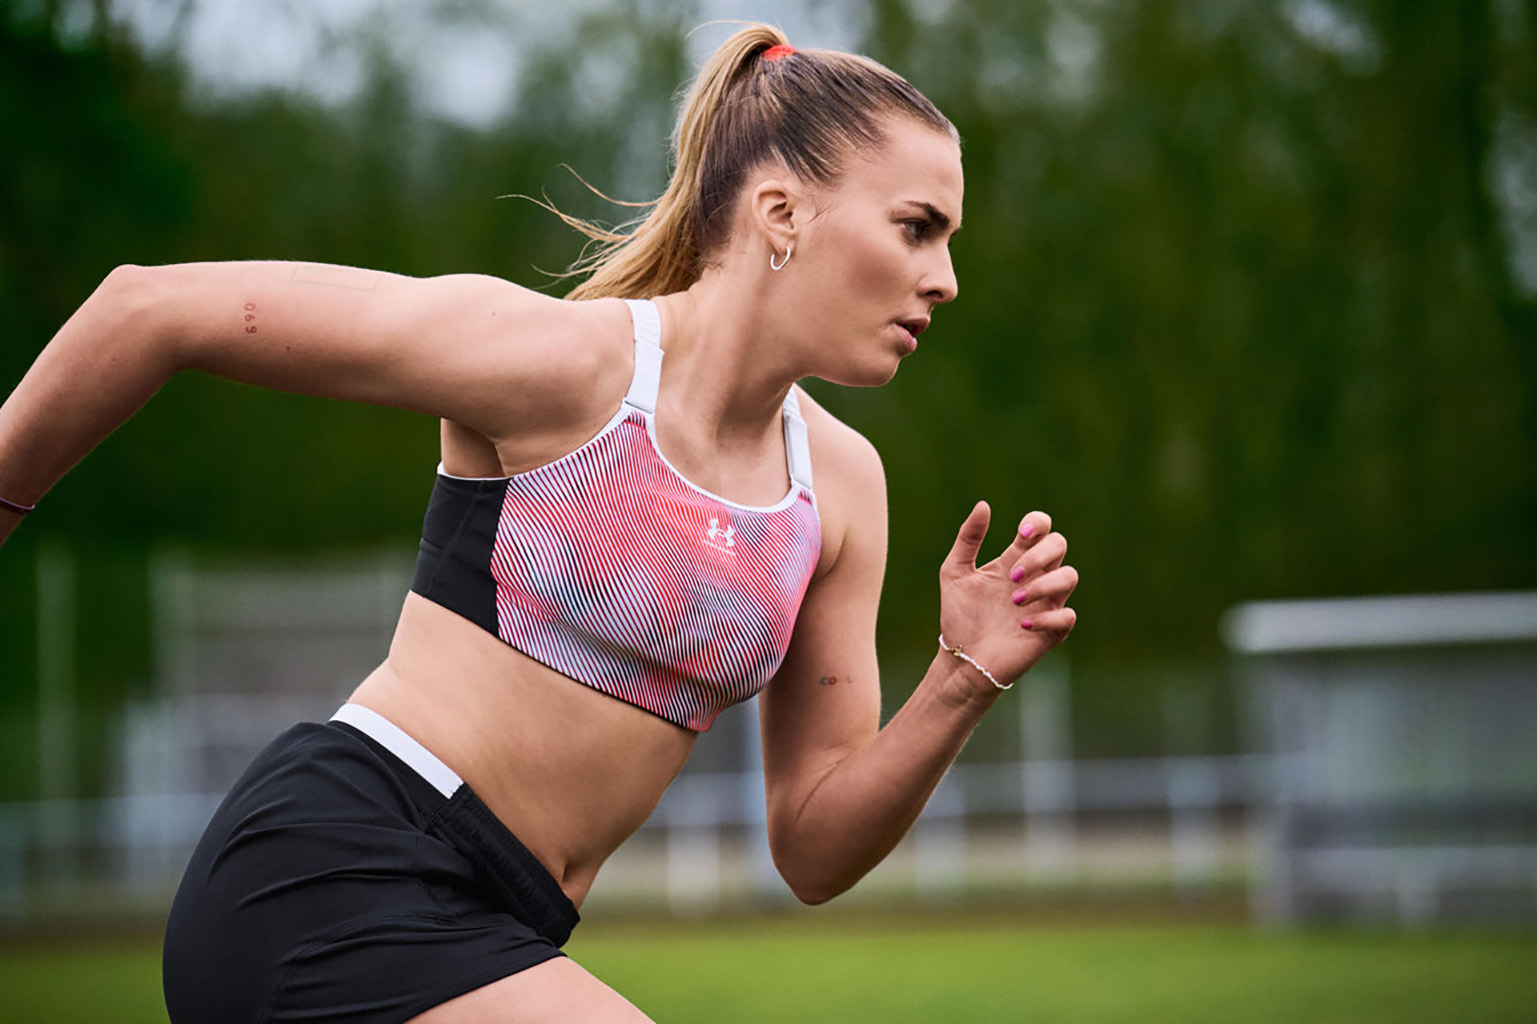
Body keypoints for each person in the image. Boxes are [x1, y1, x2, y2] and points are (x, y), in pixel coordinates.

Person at [0, 23, 1077, 1024]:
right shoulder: (567, 367)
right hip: (331, 864)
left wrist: (958, 681)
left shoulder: (841, 486)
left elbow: (810, 849)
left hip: (503, 923)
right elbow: (149, 309)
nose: (942, 279)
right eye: (916, 228)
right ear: (782, 214)